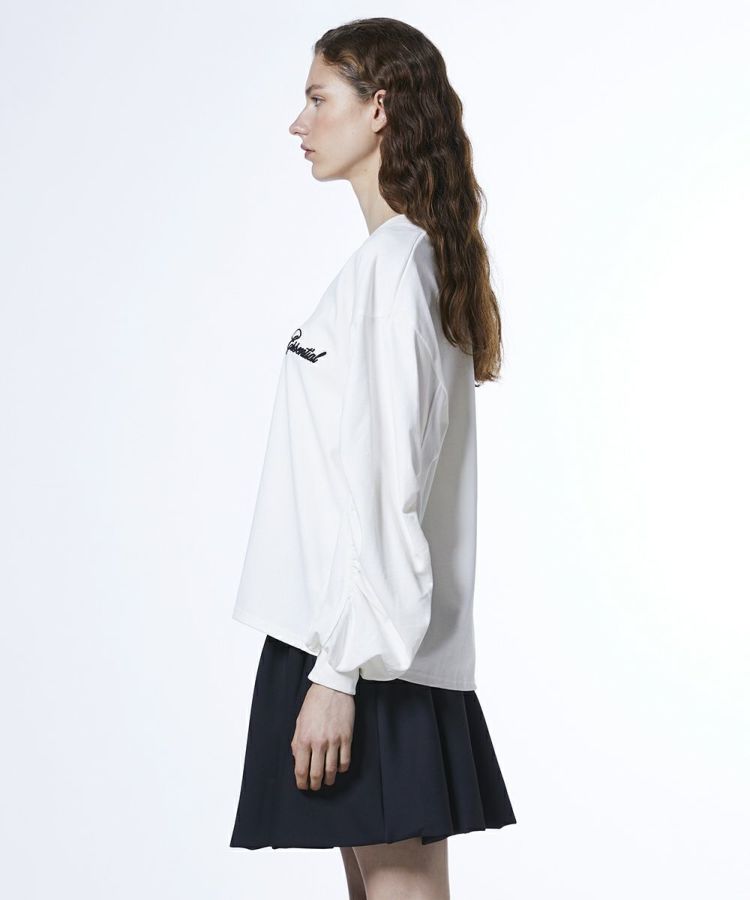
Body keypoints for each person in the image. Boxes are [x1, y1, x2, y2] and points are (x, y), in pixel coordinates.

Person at [229, 16, 516, 899]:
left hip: (366, 653)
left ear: (379, 107)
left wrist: (338, 676)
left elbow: (388, 489)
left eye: (319, 98)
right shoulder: (395, 263)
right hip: (353, 638)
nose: (299, 122)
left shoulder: (396, 272)